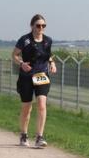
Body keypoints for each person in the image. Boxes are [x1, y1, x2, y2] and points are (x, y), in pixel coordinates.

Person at [11, 14, 56, 148]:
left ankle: (39, 137)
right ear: (32, 26)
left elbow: (48, 54)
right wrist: (21, 63)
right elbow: (14, 54)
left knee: (42, 104)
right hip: (26, 76)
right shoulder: (24, 40)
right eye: (38, 25)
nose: (41, 28)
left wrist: (52, 63)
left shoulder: (48, 40)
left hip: (41, 75)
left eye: (43, 25)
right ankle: (24, 135)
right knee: (27, 107)